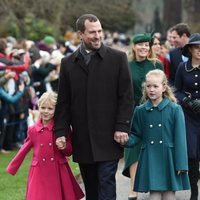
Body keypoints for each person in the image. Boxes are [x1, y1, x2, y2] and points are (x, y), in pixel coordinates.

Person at [54, 14, 133, 200]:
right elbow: (64, 102)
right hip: (83, 138)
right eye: (92, 32)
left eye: (99, 31)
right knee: (91, 189)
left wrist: (122, 126)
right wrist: (61, 132)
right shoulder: (68, 64)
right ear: (80, 34)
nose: (98, 36)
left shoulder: (118, 58)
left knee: (106, 182)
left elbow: (126, 97)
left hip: (109, 136)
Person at [122, 69, 190, 200]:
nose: (151, 89)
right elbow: (136, 134)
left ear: (164, 87)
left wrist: (181, 164)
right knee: (154, 196)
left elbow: (180, 139)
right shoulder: (140, 110)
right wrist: (126, 140)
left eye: (155, 86)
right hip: (150, 158)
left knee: (169, 195)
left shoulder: (175, 109)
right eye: (148, 86)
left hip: (169, 159)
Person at [6, 91, 84, 200]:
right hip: (39, 172)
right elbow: (24, 149)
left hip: (59, 170)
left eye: (50, 108)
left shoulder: (61, 129)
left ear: (56, 110)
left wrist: (64, 146)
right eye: (43, 107)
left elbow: (69, 151)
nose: (46, 111)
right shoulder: (33, 130)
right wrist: (12, 167)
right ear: (38, 107)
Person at [122, 33, 163, 200]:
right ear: (134, 46)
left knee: (155, 147)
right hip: (132, 111)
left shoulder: (156, 64)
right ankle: (133, 189)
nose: (144, 48)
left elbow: (163, 88)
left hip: (153, 109)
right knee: (133, 150)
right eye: (140, 45)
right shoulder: (126, 65)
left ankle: (156, 184)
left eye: (147, 45)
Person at [174, 33, 200, 200]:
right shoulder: (182, 68)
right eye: (197, 48)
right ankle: (194, 192)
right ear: (190, 49)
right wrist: (187, 101)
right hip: (189, 116)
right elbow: (176, 91)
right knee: (192, 155)